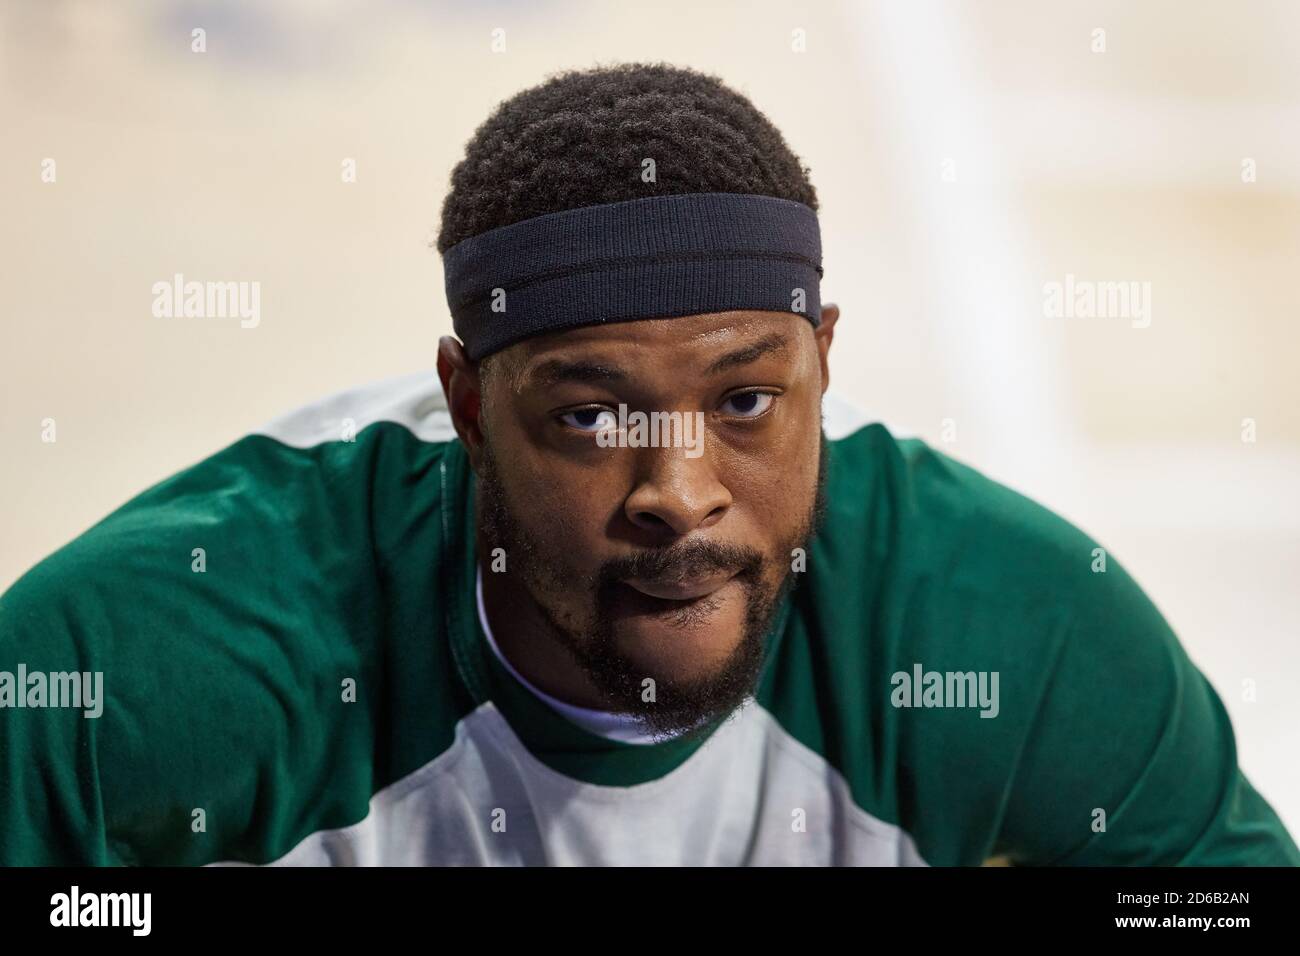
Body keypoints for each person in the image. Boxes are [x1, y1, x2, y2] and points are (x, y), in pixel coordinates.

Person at [1, 63, 1295, 866]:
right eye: (590, 418)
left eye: (744, 400)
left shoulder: (1014, 636)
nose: (677, 492)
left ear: (824, 368)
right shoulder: (177, 653)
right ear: (464, 404)